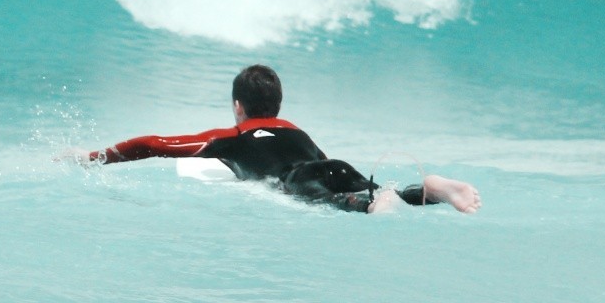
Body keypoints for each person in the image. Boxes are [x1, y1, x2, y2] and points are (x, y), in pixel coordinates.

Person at [81, 65, 482, 215]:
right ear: (278, 103)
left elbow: (154, 143)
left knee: (342, 203)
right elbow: (324, 164)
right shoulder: (297, 130)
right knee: (377, 190)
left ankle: (378, 202)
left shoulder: (230, 136)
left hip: (296, 179)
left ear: (239, 107)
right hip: (333, 164)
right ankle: (430, 190)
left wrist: (98, 156)